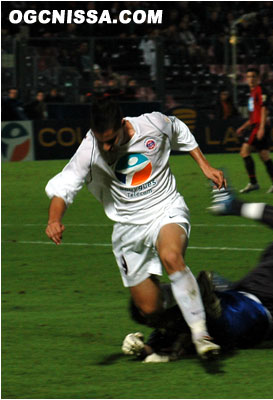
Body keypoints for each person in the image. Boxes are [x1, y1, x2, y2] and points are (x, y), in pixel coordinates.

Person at [44, 97, 226, 359]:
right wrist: (54, 219)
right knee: (149, 309)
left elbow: (178, 128)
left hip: (166, 208)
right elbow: (64, 188)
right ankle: (198, 291)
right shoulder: (90, 148)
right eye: (100, 140)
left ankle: (201, 334)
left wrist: (205, 165)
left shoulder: (152, 123)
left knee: (171, 256)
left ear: (122, 125)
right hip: (128, 227)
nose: (106, 147)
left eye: (110, 139)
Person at [121, 185, 273, 362]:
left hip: (256, 316)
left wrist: (141, 348)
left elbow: (156, 344)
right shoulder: (177, 316)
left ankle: (254, 316)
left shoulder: (164, 329)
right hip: (255, 299)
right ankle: (235, 206)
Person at [235, 67, 273, 194]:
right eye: (249, 77)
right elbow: (253, 115)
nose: (251, 79)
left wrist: (261, 128)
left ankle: (253, 183)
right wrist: (243, 127)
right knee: (264, 155)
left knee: (244, 152)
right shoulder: (252, 93)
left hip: (258, 127)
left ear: (258, 78)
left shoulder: (260, 90)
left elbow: (264, 109)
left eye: (253, 77)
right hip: (255, 125)